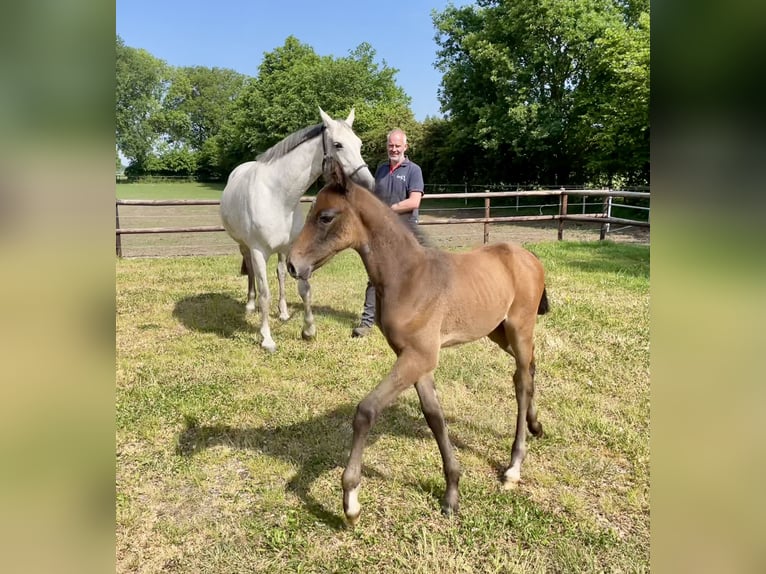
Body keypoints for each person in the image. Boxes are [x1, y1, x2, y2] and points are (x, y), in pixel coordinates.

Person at [352, 128, 424, 337]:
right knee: (375, 276)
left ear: (405, 147)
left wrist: (389, 210)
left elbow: (414, 201)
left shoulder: (413, 170)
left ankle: (412, 319)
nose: (394, 149)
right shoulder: (381, 169)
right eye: (391, 145)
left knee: (411, 277)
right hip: (381, 233)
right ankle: (367, 322)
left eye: (397, 146)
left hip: (405, 233)